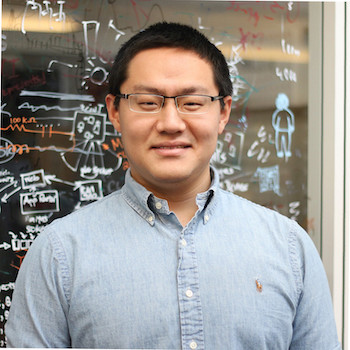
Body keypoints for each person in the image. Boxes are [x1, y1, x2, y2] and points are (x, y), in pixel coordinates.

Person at [6, 22, 341, 349]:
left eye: (191, 103)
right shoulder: (59, 254)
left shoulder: (289, 248)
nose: (170, 123)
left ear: (223, 112)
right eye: (148, 102)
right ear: (115, 111)